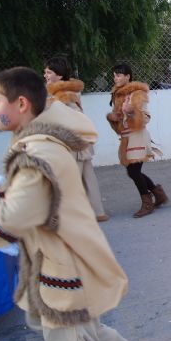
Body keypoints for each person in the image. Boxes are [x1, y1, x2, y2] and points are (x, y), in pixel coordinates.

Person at [0, 67, 135, 341]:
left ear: (22, 104)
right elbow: (25, 198)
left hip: (63, 264)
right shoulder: (37, 140)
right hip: (61, 258)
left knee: (66, 338)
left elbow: (12, 220)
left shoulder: (36, 154)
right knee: (66, 324)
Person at [43, 56, 109, 222]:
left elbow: (74, 117)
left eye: (49, 72)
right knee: (88, 176)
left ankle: (69, 214)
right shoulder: (65, 92)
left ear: (59, 75)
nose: (45, 75)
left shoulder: (63, 94)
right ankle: (97, 212)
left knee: (69, 179)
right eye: (45, 72)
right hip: (79, 141)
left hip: (73, 143)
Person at [106, 63, 168, 218]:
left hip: (138, 136)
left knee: (133, 171)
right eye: (114, 75)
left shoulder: (137, 93)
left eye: (119, 75)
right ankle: (158, 194)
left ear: (128, 76)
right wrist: (113, 118)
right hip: (126, 137)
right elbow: (120, 120)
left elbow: (146, 117)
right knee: (133, 172)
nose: (116, 78)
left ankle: (147, 203)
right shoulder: (117, 95)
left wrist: (132, 112)